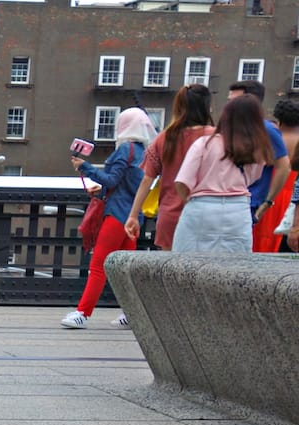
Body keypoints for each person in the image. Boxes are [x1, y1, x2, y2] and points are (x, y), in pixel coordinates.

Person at [61, 107, 152, 329]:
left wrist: (85, 167)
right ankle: (132, 314)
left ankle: (82, 312)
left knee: (99, 266)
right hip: (133, 216)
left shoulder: (125, 149)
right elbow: (128, 184)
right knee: (123, 271)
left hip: (116, 216)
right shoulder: (144, 152)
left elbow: (111, 180)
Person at [171, 94, 272, 254]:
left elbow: (182, 182)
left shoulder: (204, 144)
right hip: (239, 209)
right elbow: (253, 178)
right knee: (234, 266)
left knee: (188, 263)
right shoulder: (258, 149)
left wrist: (190, 200)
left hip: (202, 206)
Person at [124, 84, 214, 252]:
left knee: (170, 273)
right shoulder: (215, 137)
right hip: (206, 215)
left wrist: (134, 215)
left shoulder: (165, 137)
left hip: (170, 215)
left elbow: (147, 180)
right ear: (207, 107)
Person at [226, 80, 290, 251]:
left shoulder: (266, 130)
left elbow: (284, 167)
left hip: (249, 203)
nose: (229, 106)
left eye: (234, 100)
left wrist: (266, 203)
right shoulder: (228, 129)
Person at [253, 97, 299, 252]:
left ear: (279, 119)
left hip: (273, 190)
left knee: (263, 233)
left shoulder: (271, 139)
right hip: (293, 195)